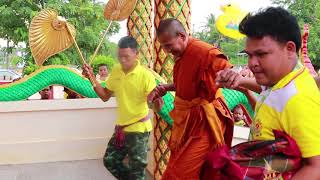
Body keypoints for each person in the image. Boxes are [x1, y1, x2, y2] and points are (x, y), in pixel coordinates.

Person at [215, 7, 320, 179]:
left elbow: (316, 166)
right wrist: (240, 81)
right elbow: (270, 92)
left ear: (290, 49)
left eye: (261, 54)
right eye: (249, 55)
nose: (252, 63)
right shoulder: (284, 79)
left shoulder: (299, 99)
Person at [147, 18, 234, 179]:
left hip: (205, 124)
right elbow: (189, 85)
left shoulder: (204, 52)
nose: (166, 51)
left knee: (177, 174)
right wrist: (167, 87)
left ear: (181, 35)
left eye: (168, 45)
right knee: (191, 171)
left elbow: (228, 72)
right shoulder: (183, 54)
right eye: (163, 47)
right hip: (189, 122)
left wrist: (241, 76)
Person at [82, 36, 156, 180]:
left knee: (137, 170)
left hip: (139, 130)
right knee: (110, 161)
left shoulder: (146, 76)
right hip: (121, 129)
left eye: (126, 56)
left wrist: (155, 101)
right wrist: (91, 76)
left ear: (136, 54)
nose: (122, 60)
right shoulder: (116, 70)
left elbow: (153, 104)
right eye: (120, 56)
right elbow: (104, 96)